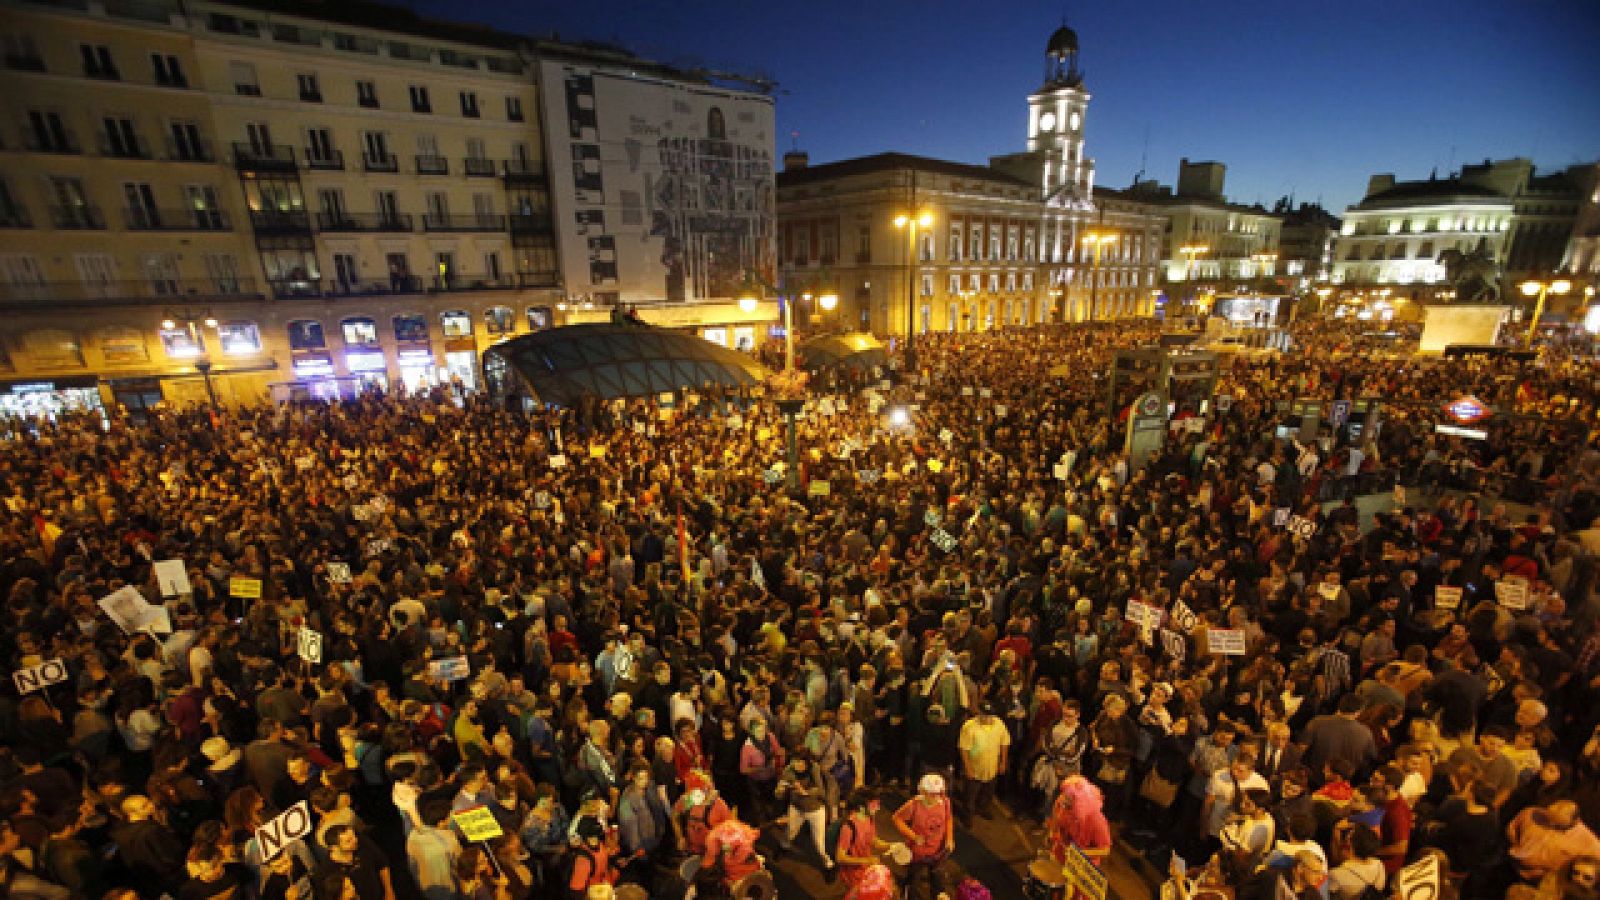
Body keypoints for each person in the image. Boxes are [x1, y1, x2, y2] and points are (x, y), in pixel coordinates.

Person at [893, 773, 954, 900]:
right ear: (923, 792)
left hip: (939, 851)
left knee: (937, 880)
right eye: (933, 793)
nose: (937, 796)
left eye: (939, 793)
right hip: (918, 853)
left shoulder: (945, 801)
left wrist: (949, 838)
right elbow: (897, 818)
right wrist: (913, 836)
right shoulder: (914, 805)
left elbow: (948, 818)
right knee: (913, 881)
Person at [776, 749, 832, 868]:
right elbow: (778, 795)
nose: (797, 765)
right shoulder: (788, 770)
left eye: (801, 762)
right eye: (795, 761)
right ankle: (783, 847)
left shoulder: (814, 768)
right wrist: (781, 790)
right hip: (797, 807)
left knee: (819, 842)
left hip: (815, 809)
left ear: (807, 762)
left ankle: (828, 863)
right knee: (790, 831)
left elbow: (821, 791)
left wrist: (805, 792)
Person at [958, 702, 1011, 821]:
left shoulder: (999, 724)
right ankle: (968, 815)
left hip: (992, 768)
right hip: (975, 769)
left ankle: (982, 809)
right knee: (970, 795)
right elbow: (964, 749)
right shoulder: (969, 726)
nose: (988, 718)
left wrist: (1003, 762)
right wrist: (968, 768)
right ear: (979, 713)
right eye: (985, 715)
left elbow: (1004, 743)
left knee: (987, 793)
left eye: (990, 715)